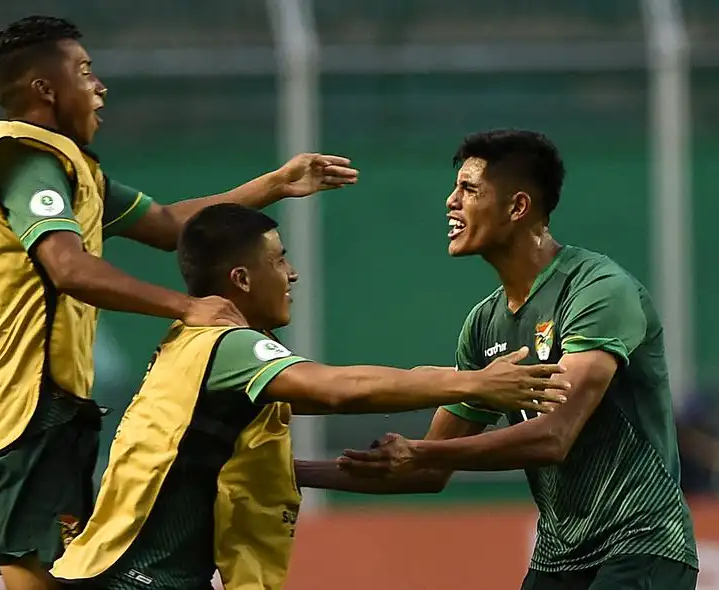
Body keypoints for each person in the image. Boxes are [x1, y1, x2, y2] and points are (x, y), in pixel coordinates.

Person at [0, 15, 358, 590]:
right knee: (38, 574)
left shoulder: (77, 170)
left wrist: (274, 184)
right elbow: (68, 268)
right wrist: (185, 306)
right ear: (44, 88)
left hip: (57, 408)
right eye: (84, 72)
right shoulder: (22, 154)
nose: (100, 87)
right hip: (24, 407)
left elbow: (169, 224)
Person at [49, 203, 570, 590]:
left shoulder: (192, 348)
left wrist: (316, 469)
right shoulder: (227, 345)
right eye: (279, 261)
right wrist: (474, 383)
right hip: (139, 579)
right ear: (241, 279)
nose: (292, 273)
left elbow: (291, 426)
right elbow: (340, 390)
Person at [297, 130, 700, 590]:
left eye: (468, 189)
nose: (451, 202)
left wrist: (420, 451)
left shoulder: (598, 290)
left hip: (641, 543)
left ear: (517, 207)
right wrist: (291, 473)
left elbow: (554, 435)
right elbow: (428, 473)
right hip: (558, 557)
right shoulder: (484, 324)